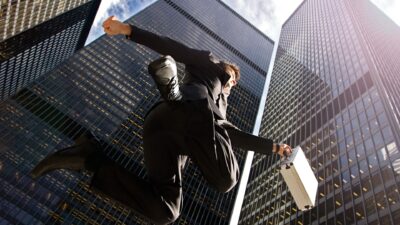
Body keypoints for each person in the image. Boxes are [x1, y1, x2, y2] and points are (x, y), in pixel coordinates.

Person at [31, 16, 293, 224]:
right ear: (229, 73)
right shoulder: (210, 65)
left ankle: (90, 158)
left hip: (162, 135)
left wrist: (272, 148)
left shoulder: (219, 110)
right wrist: (128, 30)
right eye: (232, 80)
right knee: (228, 177)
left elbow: (231, 135)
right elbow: (175, 48)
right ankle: (174, 92)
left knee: (167, 212)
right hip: (187, 113)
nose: (231, 86)